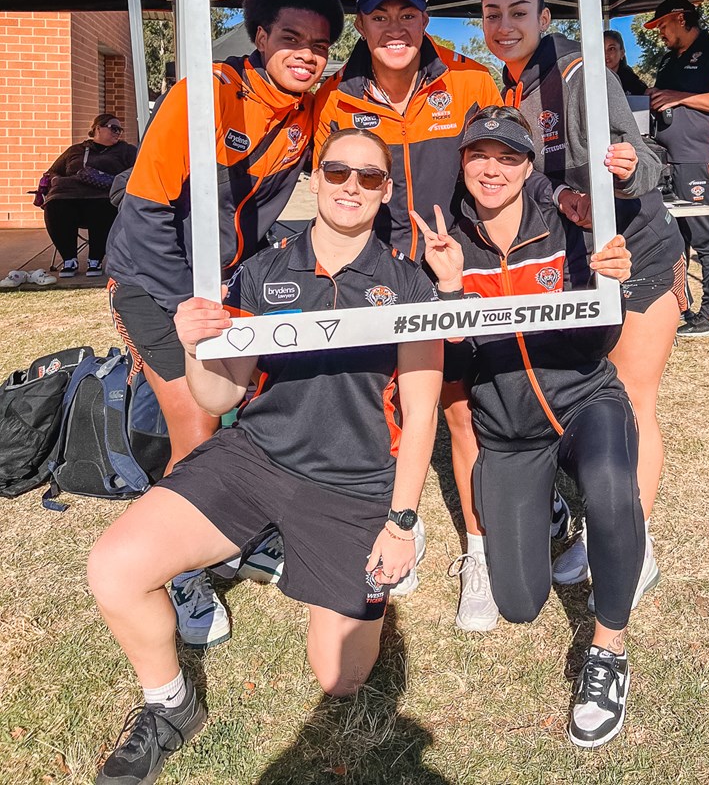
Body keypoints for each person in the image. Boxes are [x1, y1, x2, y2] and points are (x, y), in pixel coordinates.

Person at [87, 127, 443, 785]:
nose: (351, 187)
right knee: (114, 568)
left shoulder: (410, 286)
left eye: (369, 178)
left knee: (341, 680)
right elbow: (220, 393)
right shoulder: (263, 269)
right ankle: (169, 706)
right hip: (254, 459)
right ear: (317, 176)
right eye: (337, 172)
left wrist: (401, 522)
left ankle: (320, 561)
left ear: (385, 190)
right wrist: (198, 347)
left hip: (354, 484)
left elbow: (421, 413)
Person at [104, 0, 344, 647]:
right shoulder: (203, 95)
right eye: (290, 38)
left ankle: (235, 531)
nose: (306, 53)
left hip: (227, 285)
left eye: (320, 44)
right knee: (199, 425)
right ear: (259, 35)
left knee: (255, 411)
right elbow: (145, 215)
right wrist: (193, 308)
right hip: (153, 284)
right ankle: (180, 568)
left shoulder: (308, 106)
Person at [413, 106, 642, 748]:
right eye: (479, 155)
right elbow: (456, 364)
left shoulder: (565, 223)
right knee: (517, 603)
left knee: (609, 485)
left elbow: (600, 338)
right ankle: (554, 518)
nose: (492, 169)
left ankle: (607, 652)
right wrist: (453, 290)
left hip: (583, 401)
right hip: (510, 431)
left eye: (509, 158)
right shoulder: (441, 237)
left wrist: (610, 284)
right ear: (462, 162)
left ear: (528, 167)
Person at [478, 0, 685, 609]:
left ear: (543, 16)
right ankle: (602, 528)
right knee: (599, 398)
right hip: (582, 266)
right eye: (490, 14)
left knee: (630, 401)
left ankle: (631, 542)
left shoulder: (578, 74)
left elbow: (652, 164)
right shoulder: (508, 82)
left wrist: (627, 169)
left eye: (518, 12)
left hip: (642, 257)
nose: (504, 25)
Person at [314, 0, 504, 627]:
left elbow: (509, 170)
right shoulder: (333, 96)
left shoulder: (472, 82)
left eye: (407, 13)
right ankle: (406, 526)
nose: (394, 26)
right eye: (379, 14)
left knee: (459, 413)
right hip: (375, 278)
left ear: (426, 19)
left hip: (456, 273)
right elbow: (329, 190)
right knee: (384, 412)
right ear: (361, 25)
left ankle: (478, 553)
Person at [646, 0, 709, 338]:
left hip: (699, 159)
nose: (659, 32)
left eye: (662, 25)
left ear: (682, 19)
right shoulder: (669, 60)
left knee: (706, 236)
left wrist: (680, 97)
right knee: (675, 237)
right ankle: (680, 305)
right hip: (666, 161)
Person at [40, 114, 136, 276]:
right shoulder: (75, 150)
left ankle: (95, 260)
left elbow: (138, 170)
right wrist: (56, 179)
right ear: (97, 128)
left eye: (120, 129)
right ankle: (69, 259)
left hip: (103, 196)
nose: (118, 132)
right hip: (68, 196)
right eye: (113, 128)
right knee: (54, 205)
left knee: (101, 206)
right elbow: (52, 171)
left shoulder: (126, 150)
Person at [603, 30, 648, 95]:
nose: (606, 54)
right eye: (602, 49)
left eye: (611, 49)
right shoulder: (589, 81)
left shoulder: (634, 85)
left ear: (622, 53)